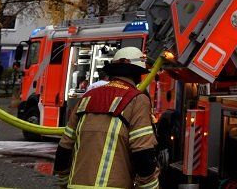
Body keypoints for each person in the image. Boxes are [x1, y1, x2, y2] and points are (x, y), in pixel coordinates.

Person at [53, 47, 159, 189]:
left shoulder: (87, 97)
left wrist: (64, 182)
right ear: (138, 74)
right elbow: (143, 154)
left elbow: (64, 147)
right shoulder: (138, 100)